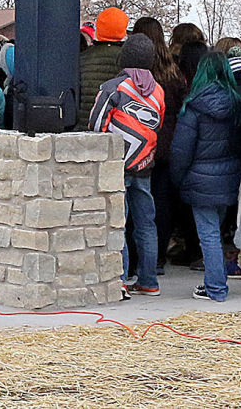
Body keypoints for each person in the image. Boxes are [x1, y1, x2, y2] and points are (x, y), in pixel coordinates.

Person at [91, 33, 166, 297]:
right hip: (145, 165)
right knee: (147, 224)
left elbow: (96, 125)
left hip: (117, 168)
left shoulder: (113, 87)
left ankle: (120, 280)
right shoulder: (158, 91)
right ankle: (149, 281)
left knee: (118, 224)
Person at [169, 52, 241, 302]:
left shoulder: (194, 106)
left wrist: (178, 179)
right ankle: (216, 281)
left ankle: (215, 287)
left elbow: (181, 150)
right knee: (217, 232)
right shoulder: (237, 103)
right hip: (228, 177)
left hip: (200, 178)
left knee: (208, 236)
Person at [76, 7, 130, 130]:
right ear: (123, 30)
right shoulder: (125, 59)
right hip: (113, 129)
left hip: (84, 127)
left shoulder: (83, 57)